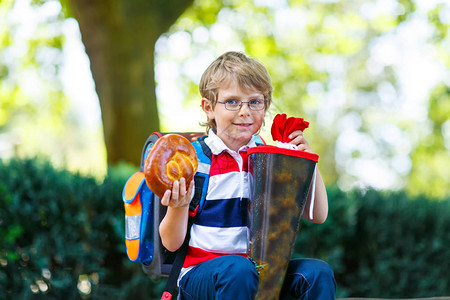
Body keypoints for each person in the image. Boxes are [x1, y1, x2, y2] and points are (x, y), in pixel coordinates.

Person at [158, 51, 336, 299]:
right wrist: (179, 206)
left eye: (255, 102)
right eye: (232, 102)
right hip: (200, 276)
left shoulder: (271, 159)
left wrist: (308, 160)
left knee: (316, 273)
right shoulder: (194, 160)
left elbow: (318, 215)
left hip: (260, 272)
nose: (245, 111)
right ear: (209, 107)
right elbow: (170, 243)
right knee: (238, 270)